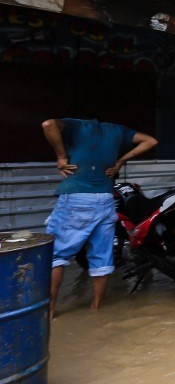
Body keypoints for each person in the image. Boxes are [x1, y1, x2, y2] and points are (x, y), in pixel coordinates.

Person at [42, 116, 157, 320]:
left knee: (56, 256)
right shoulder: (118, 130)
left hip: (76, 197)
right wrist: (120, 161)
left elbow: (48, 124)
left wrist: (61, 157)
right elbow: (151, 141)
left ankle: (49, 313)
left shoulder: (74, 125)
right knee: (102, 256)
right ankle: (96, 310)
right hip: (105, 198)